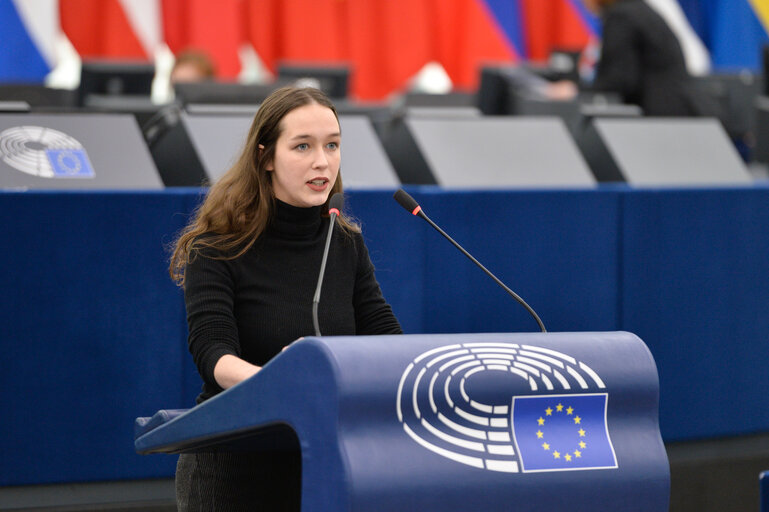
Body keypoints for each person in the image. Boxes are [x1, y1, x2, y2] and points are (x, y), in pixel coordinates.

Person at [169, 86, 403, 511]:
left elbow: (384, 335)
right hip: (235, 463)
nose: (322, 161)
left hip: (327, 456)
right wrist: (284, 381)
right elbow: (212, 351)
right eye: (302, 146)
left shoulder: (343, 242)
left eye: (332, 145)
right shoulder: (217, 246)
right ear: (265, 157)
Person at [582, 0, 717, 117]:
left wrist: (578, 93)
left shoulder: (620, 17)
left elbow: (618, 81)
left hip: (658, 118)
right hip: (679, 110)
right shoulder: (640, 10)